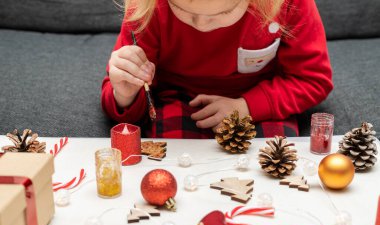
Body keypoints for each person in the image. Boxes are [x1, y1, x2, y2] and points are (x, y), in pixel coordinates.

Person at [101, 0, 333, 138]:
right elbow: (123, 102)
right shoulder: (147, 7)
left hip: (259, 101)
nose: (201, 25)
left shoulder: (287, 4)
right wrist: (125, 94)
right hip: (177, 100)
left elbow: (313, 80)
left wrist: (247, 106)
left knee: (275, 166)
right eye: (185, 10)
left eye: (222, 13)